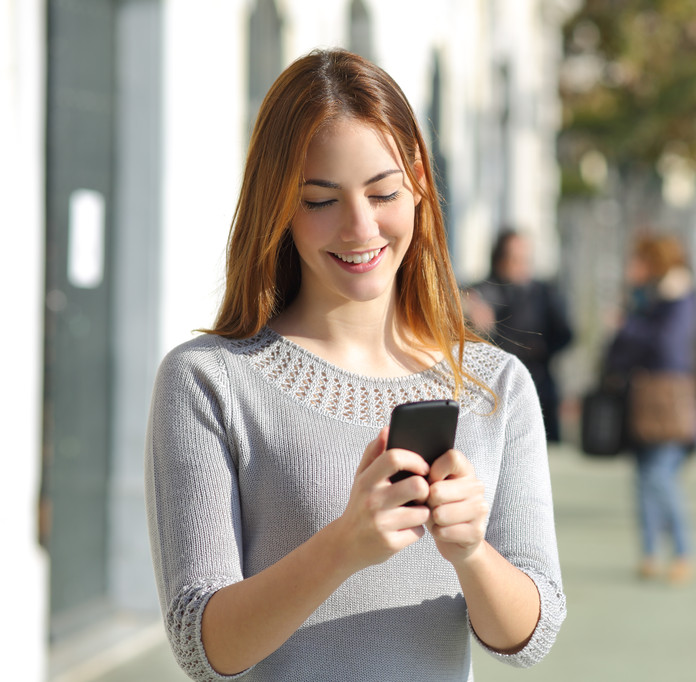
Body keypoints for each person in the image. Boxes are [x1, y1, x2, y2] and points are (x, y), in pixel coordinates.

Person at [144, 48, 565, 682]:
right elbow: (205, 651)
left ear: (418, 182)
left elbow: (530, 636)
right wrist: (344, 545)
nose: (360, 227)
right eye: (320, 200)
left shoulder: (493, 386)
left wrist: (472, 552)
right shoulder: (209, 380)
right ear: (279, 205)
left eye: (382, 191)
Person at [603, 234, 696, 584]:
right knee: (644, 478)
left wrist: (627, 327)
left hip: (667, 400)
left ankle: (683, 551)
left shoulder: (679, 296)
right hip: (640, 399)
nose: (633, 267)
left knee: (660, 476)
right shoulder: (644, 298)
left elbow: (667, 346)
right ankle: (649, 552)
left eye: (639, 261)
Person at [464, 229, 573, 442]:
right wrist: (467, 307)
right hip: (493, 393)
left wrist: (540, 349)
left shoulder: (543, 293)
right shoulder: (483, 291)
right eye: (515, 259)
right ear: (499, 259)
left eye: (526, 260)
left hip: (539, 385)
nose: (522, 266)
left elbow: (565, 334)